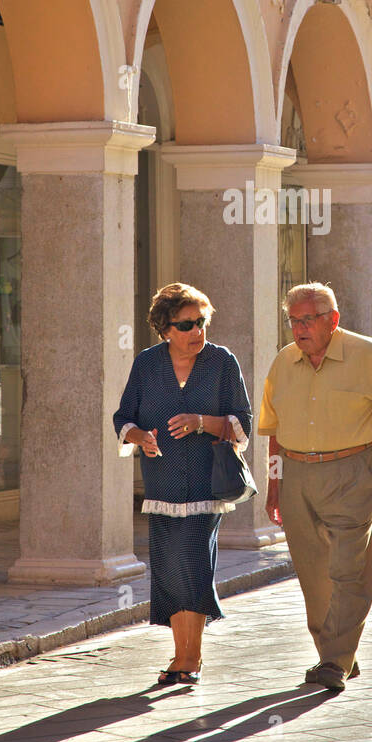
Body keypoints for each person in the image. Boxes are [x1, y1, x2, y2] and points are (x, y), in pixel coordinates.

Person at [258, 282, 372, 692]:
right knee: (313, 572)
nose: (299, 328)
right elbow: (273, 432)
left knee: (349, 568)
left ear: (333, 320)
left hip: (354, 470)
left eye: (308, 319)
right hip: (295, 473)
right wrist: (274, 486)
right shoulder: (283, 362)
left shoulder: (366, 354)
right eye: (293, 320)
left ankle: (333, 661)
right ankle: (338, 652)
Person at [114, 282, 252, 686]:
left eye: (202, 322)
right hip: (161, 487)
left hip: (208, 486)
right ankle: (181, 656)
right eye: (187, 324)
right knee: (170, 569)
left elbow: (241, 424)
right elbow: (123, 418)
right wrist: (141, 437)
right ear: (166, 328)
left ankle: (189, 659)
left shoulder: (222, 362)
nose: (197, 332)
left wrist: (201, 422)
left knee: (193, 564)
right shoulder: (147, 364)